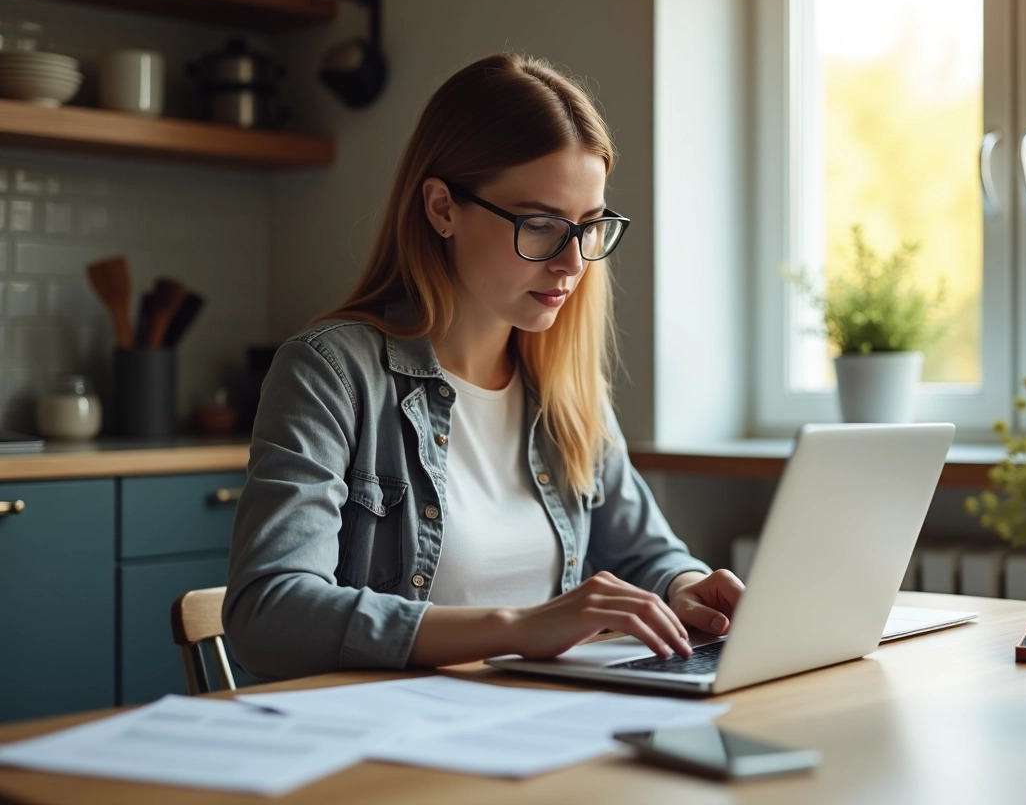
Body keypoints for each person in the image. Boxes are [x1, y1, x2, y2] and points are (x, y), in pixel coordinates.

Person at [223, 52, 745, 681]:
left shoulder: (564, 388)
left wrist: (686, 586)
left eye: (588, 227)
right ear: (442, 207)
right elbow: (268, 614)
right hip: (393, 747)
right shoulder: (330, 373)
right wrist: (517, 627)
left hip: (539, 734)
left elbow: (646, 552)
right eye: (541, 224)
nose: (572, 263)